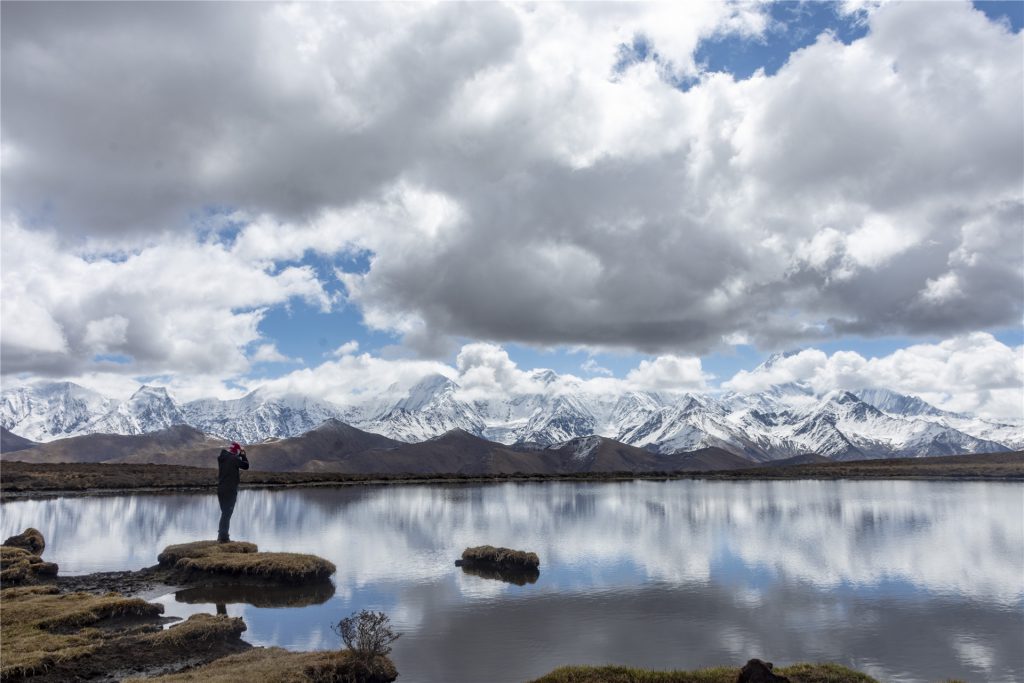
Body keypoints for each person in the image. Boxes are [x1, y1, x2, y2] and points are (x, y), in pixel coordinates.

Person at [217, 441, 249, 542]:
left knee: (224, 513)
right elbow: (246, 466)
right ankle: (223, 537)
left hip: (221, 489)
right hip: (230, 489)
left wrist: (238, 455)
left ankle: (222, 536)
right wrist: (243, 455)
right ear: (237, 451)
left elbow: (232, 460)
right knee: (227, 513)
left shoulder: (223, 458)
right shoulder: (234, 458)